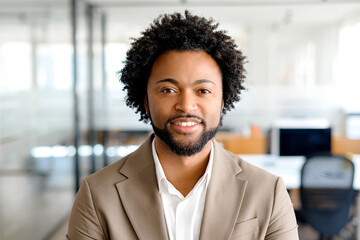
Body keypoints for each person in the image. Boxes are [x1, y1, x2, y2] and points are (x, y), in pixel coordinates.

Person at [67, 11, 298, 240]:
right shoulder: (97, 194)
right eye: (168, 90)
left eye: (203, 91)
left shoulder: (268, 192)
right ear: (146, 101)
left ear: (223, 101)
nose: (186, 105)